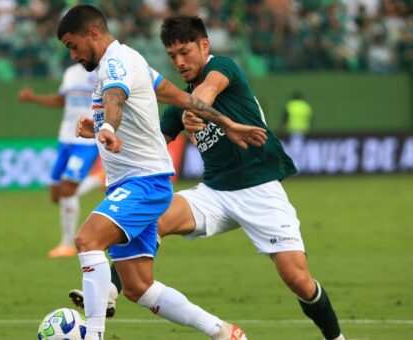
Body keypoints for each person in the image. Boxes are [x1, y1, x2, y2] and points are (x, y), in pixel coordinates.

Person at [70, 15, 345, 340]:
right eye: (172, 56)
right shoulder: (178, 104)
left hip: (260, 190)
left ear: (204, 45)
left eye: (185, 52)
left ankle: (336, 338)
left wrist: (193, 111)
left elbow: (208, 91)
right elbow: (151, 142)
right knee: (148, 220)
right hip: (214, 193)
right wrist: (103, 132)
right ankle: (112, 291)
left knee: (297, 278)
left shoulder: (223, 67)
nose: (179, 61)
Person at [56, 5, 267, 340]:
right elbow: (181, 97)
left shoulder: (114, 63)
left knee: (87, 239)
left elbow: (115, 97)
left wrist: (108, 123)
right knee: (138, 287)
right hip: (132, 183)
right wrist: (227, 123)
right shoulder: (131, 60)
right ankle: (222, 332)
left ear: (92, 34)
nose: (72, 55)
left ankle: (92, 335)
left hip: (145, 183)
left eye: (72, 45)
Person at [18, 63, 99, 258]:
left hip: (87, 140)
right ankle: (96, 180)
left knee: (68, 188)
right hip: (65, 139)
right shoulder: (71, 73)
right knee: (57, 194)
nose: (73, 53)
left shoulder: (103, 71)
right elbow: (60, 100)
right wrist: (33, 98)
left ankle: (67, 244)